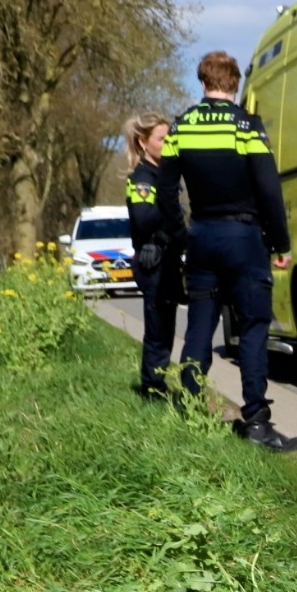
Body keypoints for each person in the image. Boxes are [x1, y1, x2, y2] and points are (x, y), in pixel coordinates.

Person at [156, 50, 297, 452]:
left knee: (199, 327)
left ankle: (187, 411)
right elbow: (269, 189)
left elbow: (165, 191)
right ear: (234, 83)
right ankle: (256, 421)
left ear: (203, 82)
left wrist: (182, 235)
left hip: (201, 236)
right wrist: (281, 243)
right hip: (244, 239)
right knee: (253, 328)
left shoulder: (182, 127)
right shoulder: (247, 126)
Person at [123, 111, 189, 401]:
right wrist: (167, 205)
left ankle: (158, 385)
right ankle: (152, 391)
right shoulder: (143, 179)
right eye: (162, 139)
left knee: (167, 329)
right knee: (158, 331)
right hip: (154, 262)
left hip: (170, 262)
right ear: (143, 142)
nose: (167, 144)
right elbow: (144, 219)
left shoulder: (165, 176)